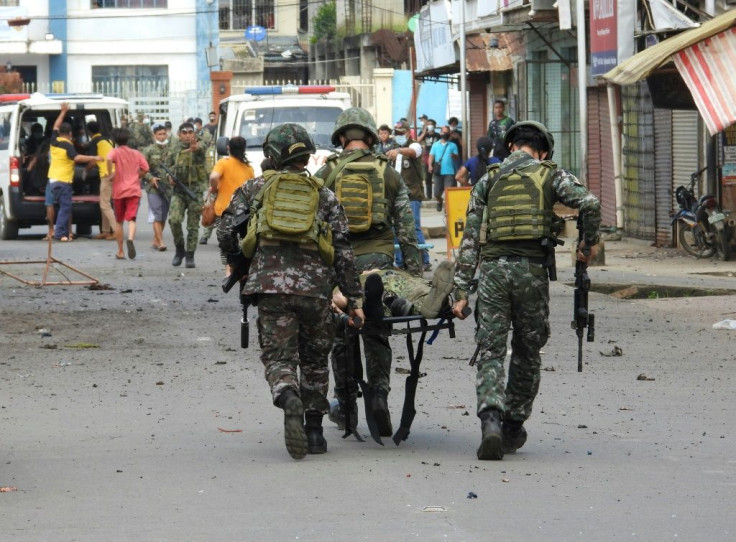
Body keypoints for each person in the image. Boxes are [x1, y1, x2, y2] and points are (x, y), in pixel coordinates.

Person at [451, 121, 601, 460]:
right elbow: (589, 203)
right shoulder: (551, 175)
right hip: (531, 274)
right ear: (543, 150)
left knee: (490, 349)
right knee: (527, 350)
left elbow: (470, 240)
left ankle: (490, 418)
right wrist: (586, 244)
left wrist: (460, 291)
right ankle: (513, 426)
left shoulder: (488, 179)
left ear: (510, 147)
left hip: (491, 274)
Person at [218, 123, 364, 459]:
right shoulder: (324, 195)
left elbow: (225, 230)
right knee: (314, 360)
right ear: (306, 155)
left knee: (280, 357)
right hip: (316, 291)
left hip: (270, 288)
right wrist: (353, 300)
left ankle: (288, 396)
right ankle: (314, 433)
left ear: (272, 155)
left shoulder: (254, 189)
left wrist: (239, 264)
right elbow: (343, 252)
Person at [314, 107, 421, 437]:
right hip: (378, 261)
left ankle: (346, 407)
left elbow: (312, 224)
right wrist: (414, 274)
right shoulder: (387, 171)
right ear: (372, 137)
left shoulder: (326, 172)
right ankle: (379, 395)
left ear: (342, 137)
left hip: (338, 264)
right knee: (377, 326)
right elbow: (406, 226)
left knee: (342, 332)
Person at [47, 103, 103, 242]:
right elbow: (77, 157)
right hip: (63, 180)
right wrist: (94, 157)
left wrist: (63, 112)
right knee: (65, 208)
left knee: (62, 207)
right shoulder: (68, 145)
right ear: (71, 134)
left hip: (53, 179)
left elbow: (55, 125)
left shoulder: (54, 141)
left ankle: (64, 232)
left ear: (60, 132)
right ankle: (60, 234)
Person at [385, 120, 431, 271]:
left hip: (412, 195)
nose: (398, 135)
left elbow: (413, 152)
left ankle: (424, 259)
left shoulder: (414, 145)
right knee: (395, 228)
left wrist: (398, 151)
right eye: (396, 133)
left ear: (407, 132)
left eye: (401, 133)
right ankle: (400, 261)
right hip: (396, 196)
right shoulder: (392, 149)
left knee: (414, 227)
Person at [206, 136, 253, 271]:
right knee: (240, 241)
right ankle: (234, 269)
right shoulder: (248, 167)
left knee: (225, 241)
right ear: (244, 149)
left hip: (224, 209)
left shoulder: (223, 162)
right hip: (243, 211)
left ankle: (229, 269)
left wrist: (214, 188)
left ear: (228, 148)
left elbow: (214, 177)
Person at [166, 121, 208, 268]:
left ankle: (190, 254)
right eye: (184, 132)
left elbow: (201, 148)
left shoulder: (199, 145)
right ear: (179, 134)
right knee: (174, 220)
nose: (188, 135)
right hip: (179, 191)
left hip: (195, 192)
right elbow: (168, 166)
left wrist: (195, 148)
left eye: (190, 132)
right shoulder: (173, 149)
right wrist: (169, 177)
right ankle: (179, 249)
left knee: (193, 226)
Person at [106, 129, 149, 260]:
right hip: (134, 190)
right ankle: (130, 238)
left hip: (119, 191)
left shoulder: (114, 152)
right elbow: (146, 168)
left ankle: (120, 251)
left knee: (119, 221)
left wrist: (110, 174)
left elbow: (108, 159)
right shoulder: (136, 153)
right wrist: (138, 176)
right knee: (131, 219)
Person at [141, 123, 173, 251]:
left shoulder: (172, 150)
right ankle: (160, 242)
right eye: (159, 134)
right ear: (154, 135)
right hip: (153, 187)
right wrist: (150, 178)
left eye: (164, 133)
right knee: (156, 214)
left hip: (168, 187)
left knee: (163, 215)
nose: (162, 136)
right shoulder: (148, 150)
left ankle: (156, 238)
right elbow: (142, 169)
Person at [87, 121, 117, 240]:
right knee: (105, 203)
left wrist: (85, 170)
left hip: (107, 174)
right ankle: (105, 231)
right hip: (115, 173)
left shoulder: (94, 141)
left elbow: (93, 160)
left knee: (105, 205)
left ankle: (116, 230)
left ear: (89, 132)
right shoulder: (107, 140)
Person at [429, 125, 459, 212]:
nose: (445, 133)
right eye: (443, 132)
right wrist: (430, 165)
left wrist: (454, 156)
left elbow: (457, 157)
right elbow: (431, 156)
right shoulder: (435, 145)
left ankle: (447, 208)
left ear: (449, 133)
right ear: (440, 133)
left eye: (446, 132)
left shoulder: (453, 145)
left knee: (448, 192)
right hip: (438, 172)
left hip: (449, 172)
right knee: (437, 193)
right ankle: (439, 201)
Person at [417, 116, 438, 199]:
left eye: (431, 125)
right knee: (427, 178)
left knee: (436, 177)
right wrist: (424, 132)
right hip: (426, 157)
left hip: (436, 158)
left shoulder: (438, 135)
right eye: (428, 125)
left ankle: (437, 194)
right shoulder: (424, 134)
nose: (429, 126)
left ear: (434, 126)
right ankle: (428, 195)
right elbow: (418, 140)